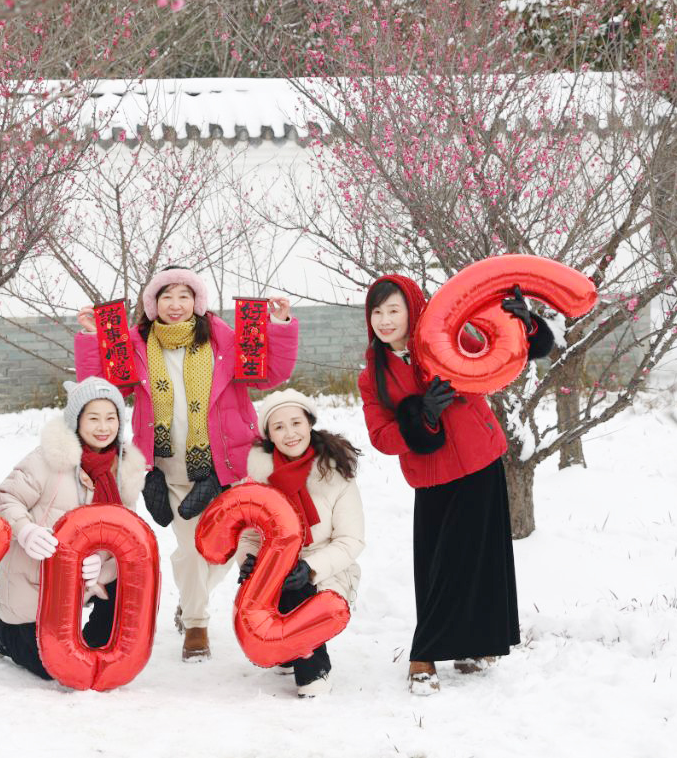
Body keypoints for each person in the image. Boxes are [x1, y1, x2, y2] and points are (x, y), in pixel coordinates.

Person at [75, 266, 299, 661]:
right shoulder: (136, 344)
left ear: (197, 301)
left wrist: (278, 326)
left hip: (224, 464)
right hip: (169, 469)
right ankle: (196, 623)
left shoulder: (222, 339)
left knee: (231, 546)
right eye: (166, 296)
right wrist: (94, 338)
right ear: (153, 304)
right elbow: (102, 387)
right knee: (193, 548)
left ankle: (192, 597)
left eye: (184, 295)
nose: (175, 304)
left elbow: (268, 374)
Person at [357, 275, 554, 695]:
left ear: (412, 310)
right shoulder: (373, 375)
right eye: (377, 312)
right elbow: (381, 437)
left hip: (481, 460)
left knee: (482, 559)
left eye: (393, 310)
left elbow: (503, 357)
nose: (384, 320)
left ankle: (473, 646)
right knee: (439, 566)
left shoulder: (447, 337)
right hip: (432, 476)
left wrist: (526, 324)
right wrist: (421, 415)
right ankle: (423, 654)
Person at [0, 377, 147, 679]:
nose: (103, 427)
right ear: (76, 420)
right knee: (50, 667)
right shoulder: (48, 459)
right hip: (36, 580)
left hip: (86, 580)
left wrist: (103, 562)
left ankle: (88, 641)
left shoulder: (122, 470)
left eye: (111, 418)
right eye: (93, 418)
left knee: (89, 658)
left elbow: (125, 537)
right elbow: (7, 497)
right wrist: (25, 530)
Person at [235, 389, 365, 698]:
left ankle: (313, 669)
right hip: (275, 564)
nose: (290, 433)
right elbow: (248, 534)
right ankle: (284, 651)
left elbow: (351, 539)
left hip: (326, 567)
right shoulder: (257, 477)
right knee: (275, 584)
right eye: (279, 427)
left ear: (309, 424)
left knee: (300, 590)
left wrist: (310, 567)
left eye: (296, 423)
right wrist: (249, 560)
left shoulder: (335, 472)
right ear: (269, 435)